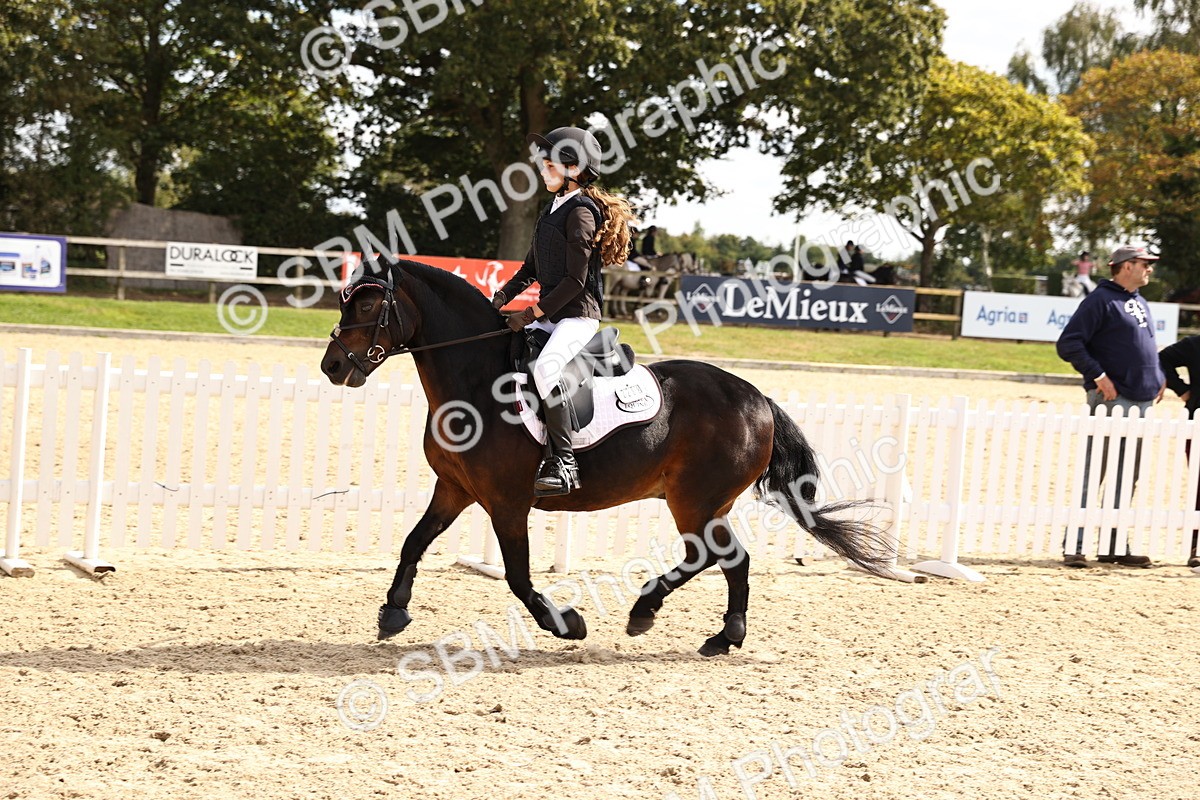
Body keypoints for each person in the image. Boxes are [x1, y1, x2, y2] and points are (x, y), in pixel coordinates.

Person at [491, 126, 634, 496]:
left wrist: (531, 313)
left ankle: (564, 462)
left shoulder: (582, 213)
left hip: (577, 317)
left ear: (572, 167)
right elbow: (531, 269)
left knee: (545, 369)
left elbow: (574, 281)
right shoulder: (552, 208)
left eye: (548, 163)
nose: (541, 169)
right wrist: (502, 296)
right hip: (553, 315)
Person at [1056, 245, 1166, 567]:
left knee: (1124, 476)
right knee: (1096, 472)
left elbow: (1145, 345)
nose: (1149, 269)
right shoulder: (1099, 300)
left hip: (1142, 399)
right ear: (1125, 266)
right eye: (1144, 264)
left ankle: (1113, 544)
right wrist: (1098, 375)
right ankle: (1075, 545)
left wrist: (1158, 374)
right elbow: (1069, 343)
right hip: (1112, 398)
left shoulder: (1138, 301)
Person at [1158, 335, 1200, 568]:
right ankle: (1197, 546)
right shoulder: (1195, 344)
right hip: (1198, 422)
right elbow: (1161, 359)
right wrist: (1183, 390)